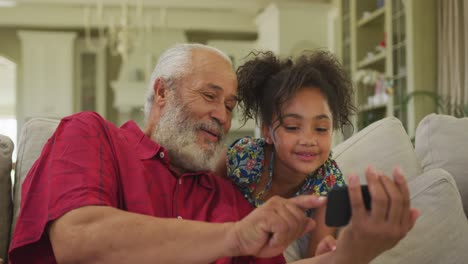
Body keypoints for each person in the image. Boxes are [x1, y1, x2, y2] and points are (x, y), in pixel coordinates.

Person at [8, 43, 418, 264]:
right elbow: (79, 239)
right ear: (162, 92)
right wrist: (234, 237)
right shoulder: (93, 134)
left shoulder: (226, 199)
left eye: (228, 105)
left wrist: (352, 254)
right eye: (210, 95)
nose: (221, 116)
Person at [218, 50, 354, 261]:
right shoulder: (241, 157)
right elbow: (202, 200)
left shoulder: (332, 186)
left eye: (321, 128)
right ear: (266, 131)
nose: (308, 140)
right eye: (292, 127)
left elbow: (315, 255)